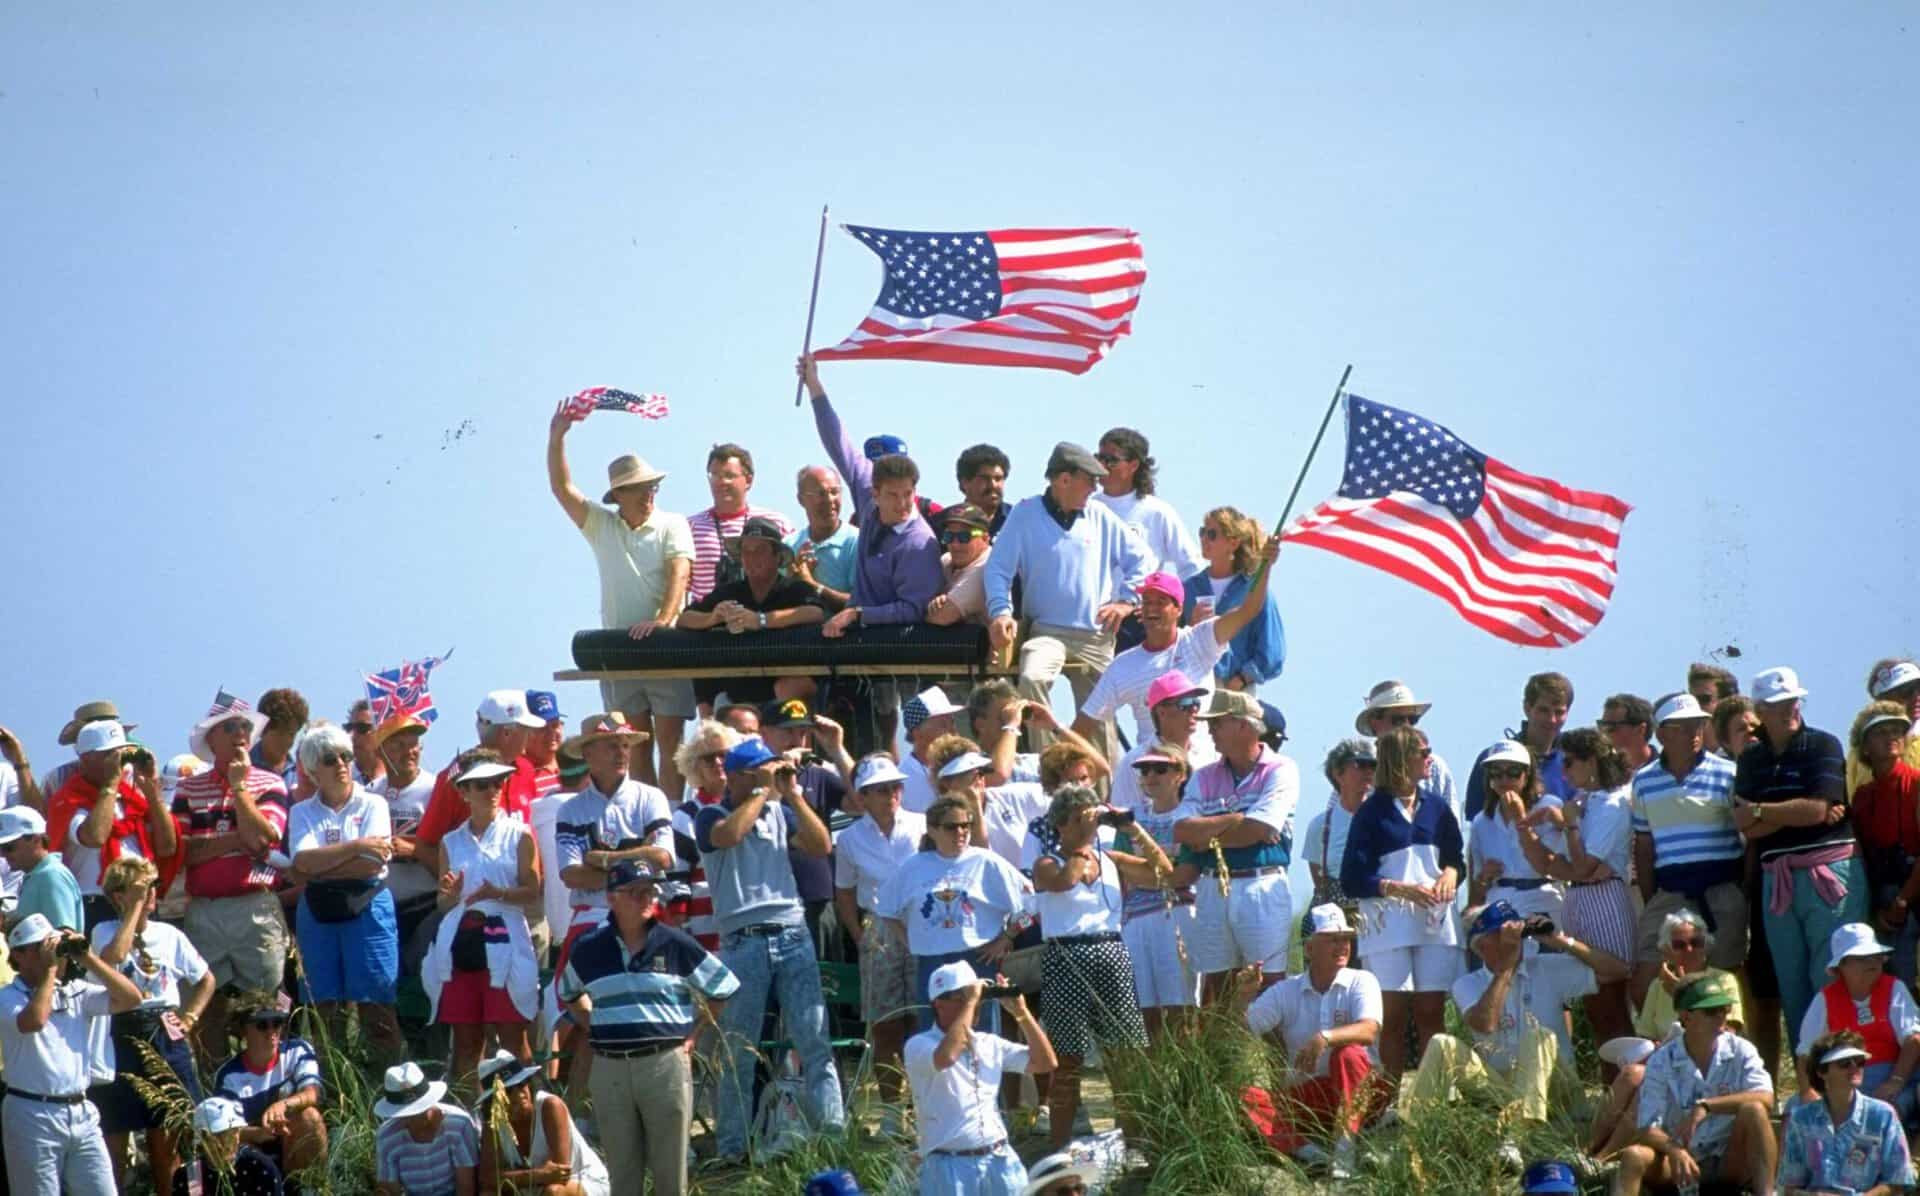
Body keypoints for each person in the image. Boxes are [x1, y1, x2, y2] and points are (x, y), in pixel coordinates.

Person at [694, 736, 845, 1164]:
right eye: (761, 771)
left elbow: (821, 847)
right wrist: (763, 790)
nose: (773, 777)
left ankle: (831, 1131)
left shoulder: (780, 811)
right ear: (740, 775)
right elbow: (728, 836)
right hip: (743, 940)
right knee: (739, 1049)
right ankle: (733, 1148)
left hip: (792, 932)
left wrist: (794, 795)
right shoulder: (711, 813)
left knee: (814, 1040)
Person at [559, 859, 738, 1196]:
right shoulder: (588, 948)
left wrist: (694, 1033)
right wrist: (593, 1023)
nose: (646, 899)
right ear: (612, 898)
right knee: (622, 1175)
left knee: (671, 1174)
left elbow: (723, 988)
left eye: (650, 892)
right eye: (635, 892)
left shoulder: (675, 943)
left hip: (664, 1063)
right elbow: (568, 994)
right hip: (609, 1066)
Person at [548, 413, 698, 796]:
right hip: (620, 650)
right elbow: (562, 488)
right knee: (634, 744)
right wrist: (558, 436)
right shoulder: (603, 525)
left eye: (651, 487)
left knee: (670, 740)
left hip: (666, 647)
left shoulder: (672, 523)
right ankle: (651, 820)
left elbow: (680, 573)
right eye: (638, 488)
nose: (648, 493)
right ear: (618, 496)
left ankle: (673, 821)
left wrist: (663, 621)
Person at [984, 442, 1152, 759]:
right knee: (1032, 679)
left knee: (1100, 716)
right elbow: (998, 569)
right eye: (1089, 479)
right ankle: (1049, 772)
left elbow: (1143, 560)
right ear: (1063, 479)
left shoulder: (1100, 514)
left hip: (1096, 636)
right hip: (1046, 631)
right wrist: (1000, 612)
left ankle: (1104, 798)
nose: (1095, 487)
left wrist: (1127, 602)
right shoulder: (1025, 513)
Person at [1405, 901, 1628, 1135]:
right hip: (1499, 1089)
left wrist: (1560, 941)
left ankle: (1516, 1137)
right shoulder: (1467, 984)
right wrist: (1506, 969)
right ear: (1481, 946)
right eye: (1501, 935)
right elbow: (1485, 1024)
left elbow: (1617, 971)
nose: (1514, 941)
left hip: (1556, 1086)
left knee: (1539, 1035)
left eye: (1516, 934)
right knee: (1442, 1044)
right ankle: (1412, 1135)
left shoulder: (1545, 968)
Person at [1735, 666, 1862, 1062]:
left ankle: (1844, 1077)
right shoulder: (1752, 758)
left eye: (1793, 700)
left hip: (1829, 872)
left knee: (1831, 976)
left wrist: (1762, 809)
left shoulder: (1823, 744)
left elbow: (1817, 810)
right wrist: (1791, 811)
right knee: (1792, 986)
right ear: (1760, 710)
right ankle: (1811, 1083)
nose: (1790, 708)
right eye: (1778, 703)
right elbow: (1745, 826)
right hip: (1778, 877)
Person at [1028, 783, 1163, 1151]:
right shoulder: (1046, 863)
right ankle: (1058, 1148)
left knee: (1125, 1055)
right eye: (1077, 819)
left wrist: (1130, 828)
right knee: (1067, 1059)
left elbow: (1162, 871)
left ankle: (1134, 1143)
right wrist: (1081, 844)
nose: (1088, 824)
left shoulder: (1111, 860)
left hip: (1111, 952)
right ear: (1060, 824)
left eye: (1089, 817)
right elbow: (1063, 881)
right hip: (1066, 958)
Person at [1339, 725, 1465, 1088]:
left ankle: (1437, 1096)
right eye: (1422, 752)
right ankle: (1388, 1097)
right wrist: (1398, 889)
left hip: (1434, 920)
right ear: (1401, 758)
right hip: (1386, 924)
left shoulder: (1437, 807)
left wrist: (1451, 876)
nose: (1429, 758)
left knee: (1431, 1010)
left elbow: (1456, 857)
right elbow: (1352, 877)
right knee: (1391, 1014)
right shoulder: (1371, 812)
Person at [1070, 531, 1279, 749]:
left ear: (1179, 609)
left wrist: (1266, 566)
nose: (1152, 608)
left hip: (1202, 773)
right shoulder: (1122, 666)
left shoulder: (1199, 639)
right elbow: (1085, 724)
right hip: (1152, 772)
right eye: (1147, 601)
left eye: (1161, 602)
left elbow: (1248, 610)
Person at [172, 691, 291, 1064]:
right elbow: (184, 852)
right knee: (208, 1006)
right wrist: (239, 838)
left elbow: (266, 838)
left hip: (255, 907)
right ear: (212, 740)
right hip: (205, 909)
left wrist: (239, 788)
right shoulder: (188, 788)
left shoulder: (270, 782)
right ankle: (215, 1089)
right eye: (230, 727)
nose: (241, 733)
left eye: (244, 726)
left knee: (267, 1003)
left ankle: (271, 1080)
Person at [89, 856, 213, 1196]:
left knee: (168, 1134)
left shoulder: (170, 935)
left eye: (153, 887)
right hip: (119, 1031)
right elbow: (112, 958)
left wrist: (189, 1018)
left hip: (163, 1027)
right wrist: (133, 910)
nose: (151, 895)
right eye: (141, 889)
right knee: (113, 1135)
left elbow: (205, 979)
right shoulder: (103, 930)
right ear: (118, 895)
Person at [284, 721, 404, 1065]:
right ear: (311, 770)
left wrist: (318, 866)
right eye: (328, 758)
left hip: (367, 905)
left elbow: (371, 864)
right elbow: (302, 861)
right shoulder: (301, 811)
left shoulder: (374, 804)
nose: (340, 764)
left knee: (377, 1008)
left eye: (345, 755)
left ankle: (391, 1090)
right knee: (326, 1011)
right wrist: (357, 846)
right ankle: (336, 1095)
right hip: (319, 912)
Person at [424, 751, 542, 1098]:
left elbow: (533, 890)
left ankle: (526, 1114)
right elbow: (443, 903)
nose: (492, 789)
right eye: (481, 784)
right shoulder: (450, 841)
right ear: (464, 791)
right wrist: (450, 894)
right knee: (466, 1041)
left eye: (496, 782)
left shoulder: (520, 834)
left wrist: (498, 893)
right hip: (461, 941)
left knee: (511, 1036)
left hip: (506, 939)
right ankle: (470, 1121)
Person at [0, 913, 144, 1196]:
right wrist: (51, 971)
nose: (54, 955)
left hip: (81, 1111)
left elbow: (131, 999)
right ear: (19, 954)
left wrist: (87, 957)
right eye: (41, 948)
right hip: (32, 1113)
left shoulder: (76, 991)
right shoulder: (7, 996)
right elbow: (34, 1021)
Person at [1173, 689, 1299, 1002]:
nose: (1210, 729)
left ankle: (1272, 1053)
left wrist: (1208, 838)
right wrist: (1237, 819)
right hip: (1212, 888)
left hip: (1262, 884)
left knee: (1269, 984)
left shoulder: (1281, 769)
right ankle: (1220, 1053)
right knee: (1217, 987)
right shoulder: (1203, 776)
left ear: (1244, 726)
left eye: (1218, 723)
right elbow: (1182, 830)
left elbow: (1261, 828)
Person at [874, 793, 1032, 1034]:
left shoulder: (986, 861)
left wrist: (1007, 937)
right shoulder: (913, 866)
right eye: (951, 827)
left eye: (965, 825)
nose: (960, 832)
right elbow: (885, 908)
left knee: (982, 1033)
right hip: (931, 962)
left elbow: (1030, 904)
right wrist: (910, 941)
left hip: (977, 958)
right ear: (933, 830)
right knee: (934, 1032)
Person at [1242, 905, 1382, 1175]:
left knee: (1349, 1054)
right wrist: (1243, 997)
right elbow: (1243, 1028)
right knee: (1246, 1098)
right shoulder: (1286, 990)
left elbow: (1369, 1031)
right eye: (1331, 938)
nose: (1342, 945)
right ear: (1308, 949)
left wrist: (1325, 1037)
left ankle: (1344, 1151)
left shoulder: (1362, 980)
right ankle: (1310, 1153)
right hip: (1310, 1097)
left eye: (1345, 938)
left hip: (1363, 1094)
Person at [1628, 692, 1746, 1010]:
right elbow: (1644, 844)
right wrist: (1654, 896)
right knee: (1647, 976)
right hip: (1671, 891)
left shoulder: (1728, 773)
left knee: (1724, 979)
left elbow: (1745, 834)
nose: (1694, 733)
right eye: (1682, 727)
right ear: (1662, 733)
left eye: (1697, 725)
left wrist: (1741, 891)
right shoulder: (1643, 781)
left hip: (1721, 889)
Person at [904, 960, 1058, 1196]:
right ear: (939, 1004)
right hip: (949, 1165)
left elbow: (1045, 1063)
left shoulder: (989, 1043)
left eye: (978, 1001)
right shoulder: (918, 1045)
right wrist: (973, 999)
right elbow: (946, 1057)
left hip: (999, 1158)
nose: (975, 1007)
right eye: (962, 999)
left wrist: (1022, 1013)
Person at [1615, 974, 1777, 1196]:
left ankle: (1766, 1193)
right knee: (1633, 1156)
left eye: (1725, 1009)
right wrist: (1674, 1149)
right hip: (1680, 1164)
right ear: (1686, 1016)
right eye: (1711, 1012)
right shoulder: (1661, 1060)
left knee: (1755, 1110)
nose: (1721, 1017)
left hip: (1728, 1159)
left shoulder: (1742, 1049)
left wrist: (1707, 1105)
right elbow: (1647, 1128)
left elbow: (1766, 1098)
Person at [832, 754, 926, 1124]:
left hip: (921, 924)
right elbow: (843, 892)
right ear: (864, 796)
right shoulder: (850, 838)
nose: (892, 795)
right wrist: (860, 934)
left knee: (922, 1021)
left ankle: (922, 1106)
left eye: (896, 787)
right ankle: (890, 1111)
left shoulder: (921, 825)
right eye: (882, 789)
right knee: (886, 1024)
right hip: (878, 930)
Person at [1542, 727, 1638, 1068]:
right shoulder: (1586, 800)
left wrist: (1569, 825)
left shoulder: (1612, 804)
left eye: (1569, 763)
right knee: (1595, 1005)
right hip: (1581, 899)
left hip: (1605, 900)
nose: (1564, 772)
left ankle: (1627, 1090)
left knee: (1611, 1001)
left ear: (1591, 761)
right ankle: (1613, 1092)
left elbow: (1584, 865)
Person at [677, 515, 829, 707]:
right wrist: (713, 617)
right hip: (740, 693)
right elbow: (684, 619)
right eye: (746, 551)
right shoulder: (729, 592)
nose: (751, 557)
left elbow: (816, 613)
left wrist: (760, 620)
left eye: (760, 551)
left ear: (778, 557)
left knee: (788, 687)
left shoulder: (795, 589)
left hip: (785, 691)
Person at [44, 719, 176, 931]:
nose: (119, 761)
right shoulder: (68, 798)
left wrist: (152, 791)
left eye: (122, 753)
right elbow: (95, 837)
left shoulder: (134, 796)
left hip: (141, 898)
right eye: (109, 754)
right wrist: (111, 784)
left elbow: (168, 847)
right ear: (85, 758)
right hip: (96, 903)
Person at [1117, 743, 1202, 1038]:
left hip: (1178, 916)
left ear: (1180, 774)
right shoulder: (1129, 816)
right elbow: (1122, 866)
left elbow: (1186, 874)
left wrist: (1147, 873)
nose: (1150, 775)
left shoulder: (1191, 816)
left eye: (1160, 769)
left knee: (1182, 1007)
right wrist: (1165, 872)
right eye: (1144, 769)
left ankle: (1188, 1083)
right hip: (1136, 920)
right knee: (1144, 1012)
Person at [1793, 923, 1920, 1119]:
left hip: (1893, 1076)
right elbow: (1806, 1054)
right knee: (1795, 1112)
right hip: (1842, 1079)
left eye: (1876, 956)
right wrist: (1807, 1091)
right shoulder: (1825, 998)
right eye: (1862, 958)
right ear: (1841, 966)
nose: (1872, 962)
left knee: (1884, 1113)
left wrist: (1895, 1081)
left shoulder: (1895, 988)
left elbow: (1913, 1040)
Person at [412, 690, 546, 874]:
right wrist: (461, 889)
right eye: (526, 730)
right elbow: (425, 846)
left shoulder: (526, 769)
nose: (530, 736)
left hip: (524, 898)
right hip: (476, 901)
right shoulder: (455, 777)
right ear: (506, 733)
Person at [755, 699, 854, 945]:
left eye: (802, 732)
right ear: (764, 733)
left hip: (817, 895)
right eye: (787, 731)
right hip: (770, 899)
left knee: (828, 980)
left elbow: (863, 801)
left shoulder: (817, 773)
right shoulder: (751, 774)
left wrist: (837, 749)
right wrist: (782, 772)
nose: (796, 739)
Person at [1779, 1029, 1915, 1196]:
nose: (1854, 1067)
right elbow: (1790, 1186)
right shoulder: (1801, 1119)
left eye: (1859, 1061)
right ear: (1822, 1072)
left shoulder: (1883, 1115)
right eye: (1844, 1063)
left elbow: (1898, 1181)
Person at [208, 993, 328, 1177]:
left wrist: (283, 1105)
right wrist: (259, 1133)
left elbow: (312, 1093)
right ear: (243, 1031)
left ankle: (309, 1187)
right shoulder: (230, 1076)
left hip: (293, 1139)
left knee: (310, 1117)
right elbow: (225, 1131)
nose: (272, 1031)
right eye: (262, 1025)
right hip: (256, 1151)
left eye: (277, 1023)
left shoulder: (297, 1051)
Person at [474, 1049, 610, 1196]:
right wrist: (538, 1174)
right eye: (507, 1091)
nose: (518, 1094)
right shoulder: (493, 1121)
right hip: (533, 1186)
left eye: (521, 1084)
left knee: (554, 1192)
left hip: (580, 1181)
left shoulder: (550, 1106)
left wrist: (513, 1177)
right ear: (493, 1101)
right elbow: (487, 1179)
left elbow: (560, 1173)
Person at [1180, 507, 1286, 693]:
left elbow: (1273, 650)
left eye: (1212, 534)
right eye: (1202, 532)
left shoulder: (1256, 591)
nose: (1204, 539)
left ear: (1233, 543)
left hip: (1235, 690)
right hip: (1193, 686)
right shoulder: (1188, 589)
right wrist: (1190, 625)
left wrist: (1242, 678)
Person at [1852, 701, 1920, 983]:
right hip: (1885, 897)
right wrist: (1877, 910)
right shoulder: (1862, 797)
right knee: (1897, 982)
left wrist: (1903, 900)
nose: (1892, 736)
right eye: (1881, 731)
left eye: (1897, 730)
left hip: (1911, 889)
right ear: (1865, 746)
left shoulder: (1916, 784)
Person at [1466, 739, 1566, 924]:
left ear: (1526, 775)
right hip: (1499, 906)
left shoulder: (1549, 807)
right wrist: (1484, 877)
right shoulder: (1481, 821)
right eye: (1496, 773)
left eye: (1513, 772)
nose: (1504, 780)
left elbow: (1548, 865)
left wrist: (1520, 818)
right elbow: (1478, 887)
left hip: (1542, 901)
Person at [367, 712, 440, 961]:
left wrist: (415, 850)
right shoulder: (371, 792)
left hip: (425, 903)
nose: (409, 751)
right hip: (381, 905)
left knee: (420, 980)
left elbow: (453, 852)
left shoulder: (435, 790)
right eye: (399, 745)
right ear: (380, 750)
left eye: (413, 744)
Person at [685, 442, 794, 605]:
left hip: (763, 619)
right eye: (715, 475)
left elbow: (791, 572)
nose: (722, 482)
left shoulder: (776, 523)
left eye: (729, 475)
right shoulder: (690, 527)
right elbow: (681, 582)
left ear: (748, 480)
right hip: (707, 620)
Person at [1090, 427, 1203, 582]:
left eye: (1111, 460)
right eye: (1099, 458)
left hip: (1139, 604)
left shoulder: (1156, 512)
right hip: (1092, 606)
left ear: (1133, 465)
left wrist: (1179, 603)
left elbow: (1191, 566)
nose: (1102, 466)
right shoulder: (1087, 508)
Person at [1462, 672, 1575, 822]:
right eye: (1544, 710)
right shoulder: (1492, 759)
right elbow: (1476, 818)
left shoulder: (1576, 761)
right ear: (1527, 708)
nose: (1552, 719)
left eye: (1559, 712)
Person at [668, 720, 741, 952]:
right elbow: (676, 880)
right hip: (705, 934)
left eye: (724, 755)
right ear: (694, 766)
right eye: (709, 758)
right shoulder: (685, 816)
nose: (718, 762)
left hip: (749, 926)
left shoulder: (750, 806)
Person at [1636, 910, 1746, 1042]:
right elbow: (1646, 1037)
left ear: (1706, 946)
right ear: (1667, 952)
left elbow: (1729, 1033)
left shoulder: (1723, 980)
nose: (1689, 949)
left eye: (1696, 942)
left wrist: (1684, 994)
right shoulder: (1658, 986)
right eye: (1679, 945)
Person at [1353, 680, 1457, 819]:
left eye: (1412, 719)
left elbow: (1451, 825)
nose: (1407, 726)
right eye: (1398, 720)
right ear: (1374, 722)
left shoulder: (1435, 767)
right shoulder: (1356, 769)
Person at [373, 1061, 479, 1196]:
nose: (414, 1116)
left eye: (419, 1110)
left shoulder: (459, 1125)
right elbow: (388, 1190)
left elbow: (466, 1187)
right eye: (406, 1114)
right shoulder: (386, 1137)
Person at [1304, 738, 1376, 908]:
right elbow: (1321, 885)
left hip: (1378, 915)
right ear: (1338, 773)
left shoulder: (1385, 819)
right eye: (1360, 765)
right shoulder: (1320, 826)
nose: (1368, 771)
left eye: (1373, 765)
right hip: (1337, 921)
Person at [0, 807, 82, 933]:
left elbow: (63, 936)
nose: (3, 854)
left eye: (8, 847)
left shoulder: (52, 876)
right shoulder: (39, 876)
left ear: (36, 840)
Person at [183, 1096, 286, 1196]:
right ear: (202, 1139)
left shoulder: (259, 1167)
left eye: (234, 1132)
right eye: (220, 1135)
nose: (230, 1141)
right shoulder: (192, 1175)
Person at [789, 465, 857, 610]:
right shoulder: (789, 545)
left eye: (834, 492)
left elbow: (860, 604)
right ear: (801, 500)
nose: (829, 500)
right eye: (820, 493)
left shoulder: (856, 542)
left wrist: (812, 586)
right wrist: (792, 580)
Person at [925, 503, 994, 627]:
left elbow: (940, 617)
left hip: (983, 645)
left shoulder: (986, 568)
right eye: (949, 536)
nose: (955, 544)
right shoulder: (947, 559)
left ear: (985, 538)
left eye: (964, 537)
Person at [898, 687, 965, 814]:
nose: (952, 729)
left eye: (952, 721)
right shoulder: (901, 780)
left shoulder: (965, 765)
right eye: (943, 724)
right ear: (918, 733)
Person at [250, 689, 308, 794]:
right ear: (263, 729)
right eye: (280, 733)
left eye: (291, 734)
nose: (286, 741)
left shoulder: (300, 776)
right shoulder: (241, 769)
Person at [955, 444, 1013, 535]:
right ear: (964, 482)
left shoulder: (1017, 519)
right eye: (985, 478)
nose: (993, 485)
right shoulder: (946, 524)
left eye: (998, 478)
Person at [1687, 664, 1740, 755]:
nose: (1695, 706)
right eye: (1690, 700)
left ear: (1726, 703)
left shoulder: (1744, 756)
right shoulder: (1680, 760)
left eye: (1704, 699)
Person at [1600, 693, 1658, 772]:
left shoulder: (1671, 771)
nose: (1603, 734)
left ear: (1640, 730)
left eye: (1611, 727)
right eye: (1602, 726)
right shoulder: (1597, 776)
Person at [345, 699, 387, 786]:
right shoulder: (341, 779)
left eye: (362, 728)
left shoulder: (399, 778)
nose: (352, 735)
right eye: (349, 728)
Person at [1716, 695, 1761, 761]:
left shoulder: (1778, 768)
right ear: (1725, 741)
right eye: (1741, 729)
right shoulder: (1726, 770)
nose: (1751, 730)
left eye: (1754, 725)